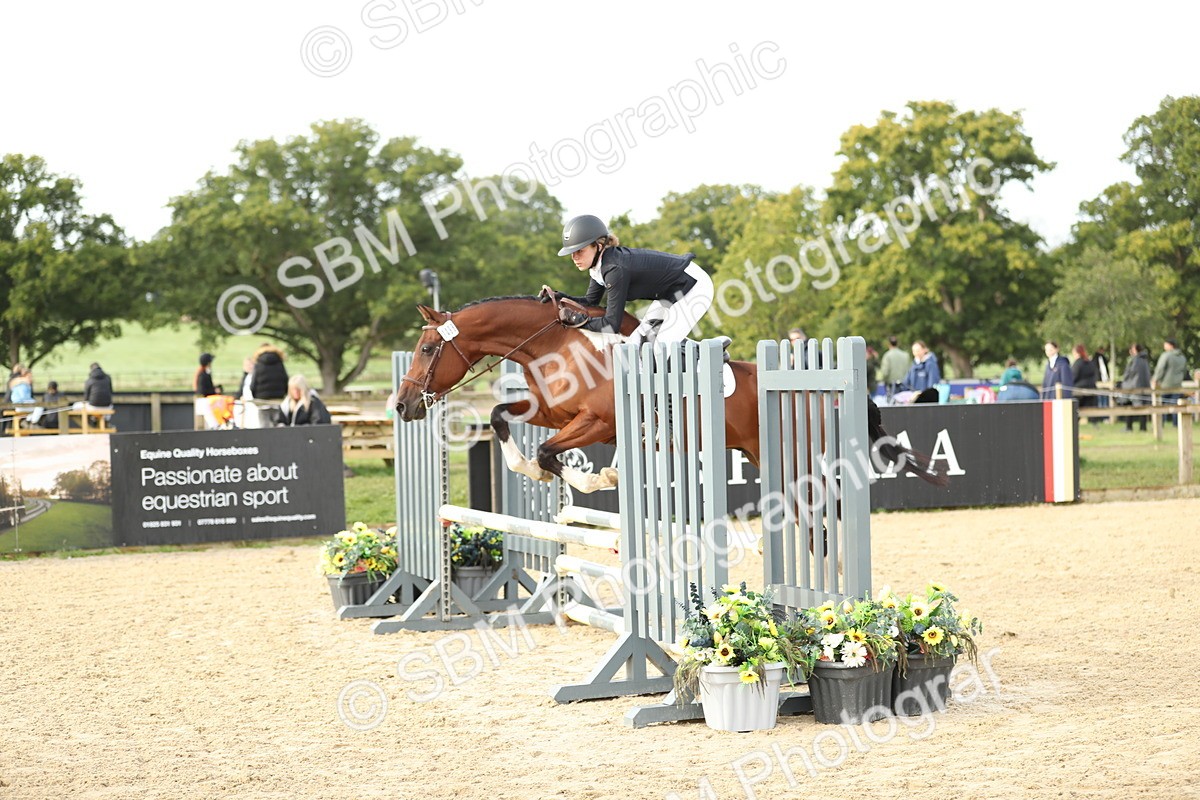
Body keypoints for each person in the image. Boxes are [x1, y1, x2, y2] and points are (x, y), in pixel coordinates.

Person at [542, 215, 713, 347]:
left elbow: (611, 324)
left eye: (580, 250)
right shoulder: (599, 265)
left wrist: (578, 321)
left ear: (598, 245)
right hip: (672, 291)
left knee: (661, 348)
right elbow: (590, 302)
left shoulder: (614, 269)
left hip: (694, 286)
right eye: (572, 252)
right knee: (636, 344)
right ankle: (694, 350)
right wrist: (559, 297)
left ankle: (708, 361)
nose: (574, 257)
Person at [249, 343, 288, 425]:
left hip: (262, 401)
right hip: (278, 400)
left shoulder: (258, 365)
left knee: (264, 426)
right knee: (278, 425)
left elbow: (253, 384)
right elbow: (285, 380)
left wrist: (255, 397)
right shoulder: (279, 363)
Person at [1152, 338, 1188, 426]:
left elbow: (1160, 369)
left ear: (1171, 345)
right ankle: (1176, 424)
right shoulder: (1182, 357)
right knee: (1175, 405)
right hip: (1177, 384)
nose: (1164, 346)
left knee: (1162, 404)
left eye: (1165, 344)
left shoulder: (1166, 355)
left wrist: (1155, 379)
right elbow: (1184, 371)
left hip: (1166, 384)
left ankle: (1160, 424)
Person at [1119, 343, 1151, 432]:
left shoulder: (1135, 360)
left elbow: (1130, 373)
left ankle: (1129, 427)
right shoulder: (1144, 360)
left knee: (1130, 406)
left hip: (1134, 387)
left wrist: (1124, 384)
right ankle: (1143, 427)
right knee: (1142, 407)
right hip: (1143, 386)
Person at [878, 336, 909, 400]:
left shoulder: (887, 356)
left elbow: (885, 372)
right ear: (898, 343)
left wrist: (883, 380)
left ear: (889, 344)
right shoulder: (905, 355)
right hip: (904, 385)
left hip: (892, 386)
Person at [1071, 345, 1098, 409]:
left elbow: (1073, 377)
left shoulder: (1077, 363)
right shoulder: (1091, 363)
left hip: (1079, 391)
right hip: (1091, 389)